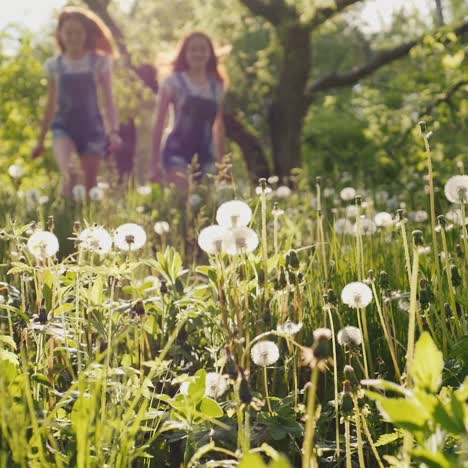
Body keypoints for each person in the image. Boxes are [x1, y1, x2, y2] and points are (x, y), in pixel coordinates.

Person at [32, 6, 121, 196]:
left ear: (86, 34)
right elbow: (50, 105)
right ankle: (63, 221)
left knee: (88, 186)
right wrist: (40, 141)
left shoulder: (99, 62)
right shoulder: (55, 65)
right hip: (63, 127)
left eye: (78, 32)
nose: (73, 37)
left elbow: (109, 100)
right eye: (69, 32)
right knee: (71, 174)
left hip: (92, 129)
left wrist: (113, 131)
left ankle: (84, 222)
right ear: (60, 34)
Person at [150, 32, 226, 189]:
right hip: (177, 152)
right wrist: (154, 162)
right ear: (184, 54)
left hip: (207, 155)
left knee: (207, 204)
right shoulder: (172, 83)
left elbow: (218, 126)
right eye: (193, 49)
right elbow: (159, 122)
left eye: (203, 49)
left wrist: (223, 165)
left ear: (210, 54)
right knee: (183, 201)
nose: (198, 53)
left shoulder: (217, 87)